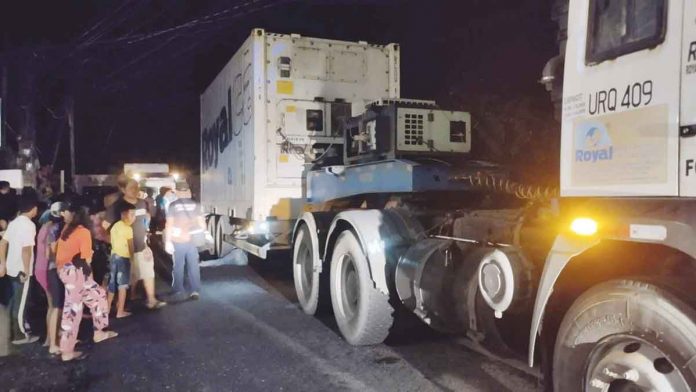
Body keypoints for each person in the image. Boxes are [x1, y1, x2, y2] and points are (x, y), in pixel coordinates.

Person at [56, 203, 117, 362]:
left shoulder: (67, 229)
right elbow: (86, 259)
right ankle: (67, 351)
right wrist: (88, 275)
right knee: (73, 310)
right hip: (76, 272)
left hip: (67, 271)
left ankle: (99, 332)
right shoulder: (83, 232)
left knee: (98, 295)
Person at [103, 179, 165, 309]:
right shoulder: (117, 206)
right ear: (123, 190)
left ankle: (151, 300)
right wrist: (115, 243)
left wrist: (146, 241)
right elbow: (105, 226)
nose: (135, 190)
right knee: (123, 279)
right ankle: (117, 305)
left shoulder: (142, 203)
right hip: (124, 251)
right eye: (131, 188)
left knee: (148, 273)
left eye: (136, 187)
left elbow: (146, 220)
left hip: (142, 248)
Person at [0, 194, 39, 345]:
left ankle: (12, 332)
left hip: (11, 268)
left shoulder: (14, 223)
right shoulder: (29, 225)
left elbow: (2, 244)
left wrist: (2, 264)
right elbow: (26, 250)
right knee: (21, 303)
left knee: (14, 302)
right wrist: (27, 270)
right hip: (21, 270)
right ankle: (20, 335)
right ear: (34, 209)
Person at [165, 182, 209, 301]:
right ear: (188, 191)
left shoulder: (173, 205)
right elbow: (202, 222)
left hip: (178, 240)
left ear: (178, 192)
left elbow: (169, 224)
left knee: (178, 265)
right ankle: (195, 290)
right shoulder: (196, 205)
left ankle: (178, 289)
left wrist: (167, 241)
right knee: (193, 265)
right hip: (193, 239)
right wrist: (205, 234)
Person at [35, 202, 66, 355]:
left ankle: (50, 338)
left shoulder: (44, 226)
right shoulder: (51, 230)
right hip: (47, 268)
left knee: (52, 305)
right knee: (54, 306)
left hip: (40, 268)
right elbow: (50, 253)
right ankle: (52, 340)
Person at [107, 202, 135, 318]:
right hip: (123, 258)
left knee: (112, 284)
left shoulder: (115, 226)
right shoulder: (128, 229)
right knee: (123, 285)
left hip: (113, 256)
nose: (134, 218)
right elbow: (131, 246)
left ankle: (106, 310)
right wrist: (133, 260)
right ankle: (120, 311)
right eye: (132, 214)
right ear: (124, 214)